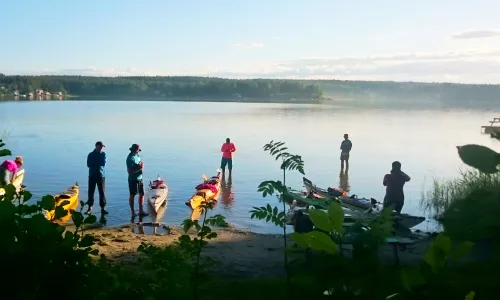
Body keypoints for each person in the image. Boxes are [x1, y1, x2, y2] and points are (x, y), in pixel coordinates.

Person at [86, 141, 108, 215]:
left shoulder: (103, 154)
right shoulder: (91, 154)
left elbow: (103, 163)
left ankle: (103, 208)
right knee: (91, 192)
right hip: (92, 175)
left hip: (101, 176)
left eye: (102, 147)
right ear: (96, 146)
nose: (102, 148)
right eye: (100, 146)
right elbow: (89, 164)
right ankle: (89, 207)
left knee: (102, 192)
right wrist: (96, 163)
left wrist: (94, 163)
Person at [126, 144, 148, 217]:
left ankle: (141, 211)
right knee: (132, 195)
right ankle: (133, 212)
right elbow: (129, 172)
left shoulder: (138, 156)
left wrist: (142, 166)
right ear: (134, 150)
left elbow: (140, 164)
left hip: (140, 178)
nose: (138, 152)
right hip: (133, 179)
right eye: (137, 150)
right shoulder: (130, 158)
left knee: (142, 193)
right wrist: (139, 169)